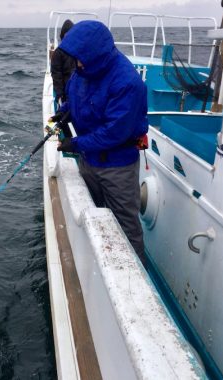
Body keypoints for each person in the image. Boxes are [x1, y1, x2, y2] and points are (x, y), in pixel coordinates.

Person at [51, 20, 148, 265]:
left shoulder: (127, 82)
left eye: (81, 58)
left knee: (126, 224)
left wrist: (76, 144)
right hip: (89, 159)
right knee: (93, 212)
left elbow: (114, 132)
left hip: (117, 167)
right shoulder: (82, 72)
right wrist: (64, 112)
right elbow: (75, 98)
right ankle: (98, 262)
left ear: (95, 53)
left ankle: (134, 274)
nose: (78, 63)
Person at [51, 19, 77, 107]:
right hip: (65, 91)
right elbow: (56, 74)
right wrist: (59, 94)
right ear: (63, 35)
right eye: (67, 33)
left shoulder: (79, 50)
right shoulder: (58, 53)